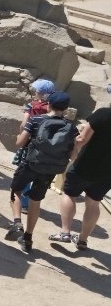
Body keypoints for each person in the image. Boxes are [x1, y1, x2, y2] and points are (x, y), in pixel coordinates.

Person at [5, 91, 78, 252]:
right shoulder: (71, 127)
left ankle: (17, 222)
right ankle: (28, 238)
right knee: (35, 200)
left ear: (49, 104)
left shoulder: (36, 120)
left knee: (16, 191)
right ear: (66, 109)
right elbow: (73, 155)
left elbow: (19, 142)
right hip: (51, 169)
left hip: (30, 164)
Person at [51, 102, 111, 251]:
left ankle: (65, 232)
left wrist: (73, 151)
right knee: (93, 202)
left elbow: (82, 139)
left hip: (85, 165)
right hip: (107, 173)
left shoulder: (103, 114)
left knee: (69, 194)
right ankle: (83, 240)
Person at [13, 78, 55, 212]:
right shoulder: (53, 107)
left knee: (25, 171)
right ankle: (33, 201)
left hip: (30, 143)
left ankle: (24, 204)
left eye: (37, 90)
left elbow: (24, 124)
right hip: (46, 146)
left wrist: (22, 135)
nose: (35, 92)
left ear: (41, 93)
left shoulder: (32, 106)